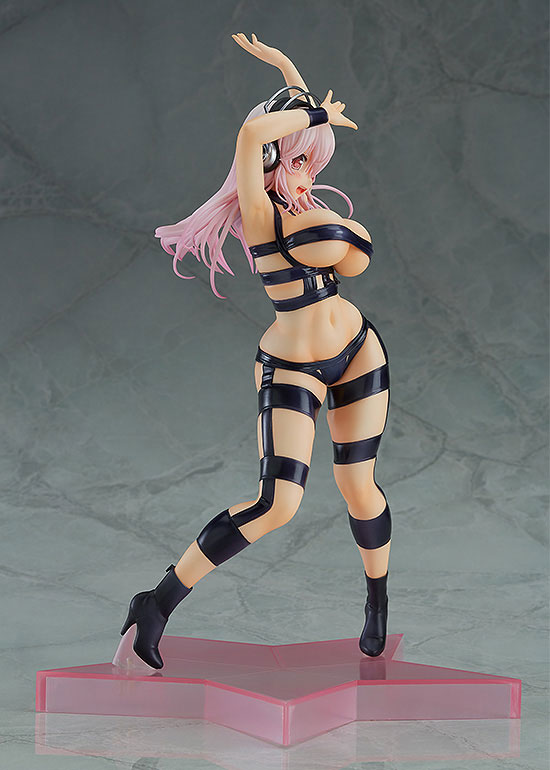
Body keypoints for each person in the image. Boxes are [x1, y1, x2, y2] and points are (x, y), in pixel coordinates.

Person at [120, 33, 391, 669]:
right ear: (273, 160)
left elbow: (290, 131)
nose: (307, 174)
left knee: (359, 485)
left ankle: (377, 602)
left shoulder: (307, 203)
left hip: (358, 349)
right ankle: (157, 602)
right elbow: (252, 135)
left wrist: (287, 68)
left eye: (312, 164)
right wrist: (314, 112)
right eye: (296, 161)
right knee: (277, 503)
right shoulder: (260, 210)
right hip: (293, 365)